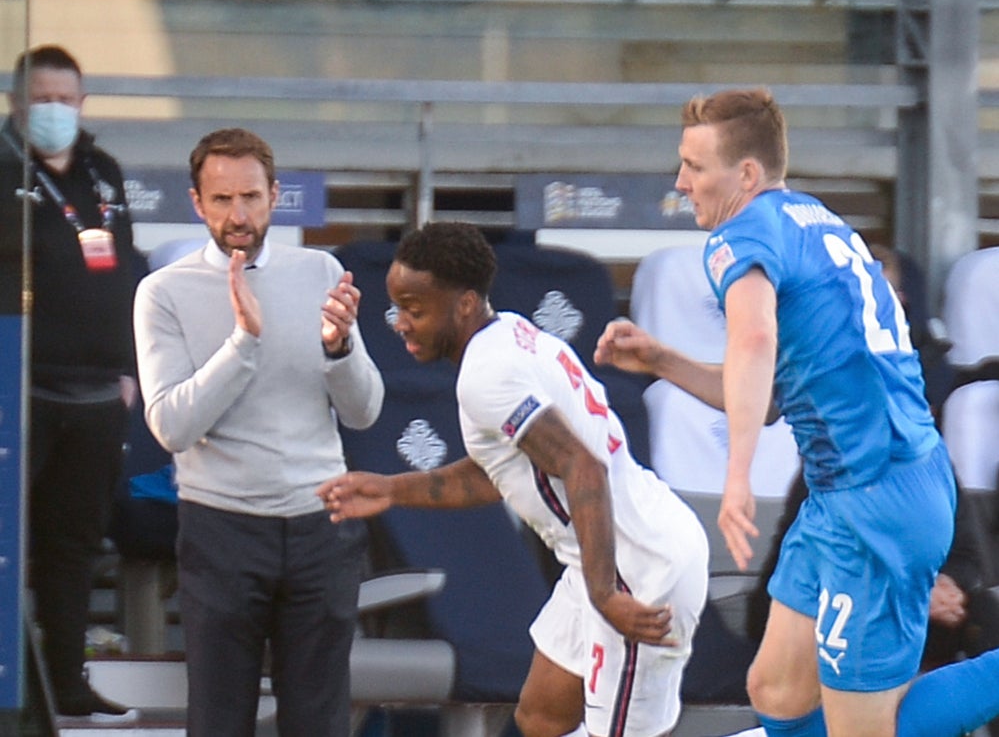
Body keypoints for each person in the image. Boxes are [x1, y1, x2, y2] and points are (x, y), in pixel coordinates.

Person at [594, 88, 999, 737]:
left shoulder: (739, 234)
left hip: (875, 501)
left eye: (695, 166)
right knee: (775, 689)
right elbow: (777, 387)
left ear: (745, 174)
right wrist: (663, 361)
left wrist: (736, 478)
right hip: (849, 495)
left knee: (861, 730)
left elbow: (753, 342)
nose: (681, 182)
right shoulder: (812, 219)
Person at [317, 221, 709, 737]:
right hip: (601, 556)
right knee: (541, 717)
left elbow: (581, 465)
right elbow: (500, 472)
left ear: (463, 304)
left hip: (637, 566)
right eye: (397, 308)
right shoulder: (512, 334)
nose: (400, 323)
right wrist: (393, 489)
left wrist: (605, 595)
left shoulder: (488, 374)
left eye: (415, 309)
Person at [132, 127, 384, 737]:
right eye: (221, 200)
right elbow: (172, 425)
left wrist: (340, 347)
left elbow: (365, 411)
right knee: (219, 718)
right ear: (197, 203)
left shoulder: (320, 269)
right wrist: (243, 342)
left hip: (319, 522)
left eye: (250, 197)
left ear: (275, 196)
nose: (238, 214)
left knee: (319, 720)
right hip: (221, 526)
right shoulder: (163, 291)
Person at [0, 44, 137, 717]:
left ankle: (67, 682)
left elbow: (128, 273)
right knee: (5, 539)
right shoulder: (2, 170)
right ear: (16, 103)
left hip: (95, 394)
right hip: (18, 389)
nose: (54, 110)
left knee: (74, 545)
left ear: (81, 104)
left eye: (65, 99)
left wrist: (131, 370)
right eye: (41, 98)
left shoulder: (103, 173)